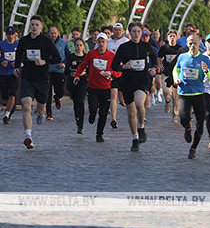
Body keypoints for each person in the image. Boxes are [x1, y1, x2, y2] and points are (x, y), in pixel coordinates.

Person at [13, 15, 62, 149]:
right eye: (32, 24)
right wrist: (17, 67)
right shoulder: (24, 40)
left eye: (36, 25)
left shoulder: (46, 41)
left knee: (41, 107)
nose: (34, 27)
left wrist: (44, 61)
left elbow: (57, 58)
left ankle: (41, 113)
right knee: (26, 105)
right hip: (27, 77)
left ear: (41, 27)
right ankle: (28, 136)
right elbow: (18, 55)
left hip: (42, 78)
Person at [111, 22, 157, 151]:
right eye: (133, 31)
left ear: (141, 32)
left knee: (139, 103)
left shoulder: (146, 46)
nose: (136, 34)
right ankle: (134, 138)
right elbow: (114, 65)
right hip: (127, 82)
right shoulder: (123, 47)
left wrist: (154, 68)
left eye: (138, 31)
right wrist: (123, 67)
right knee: (131, 114)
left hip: (142, 80)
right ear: (129, 33)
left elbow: (154, 60)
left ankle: (141, 127)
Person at [173, 34, 210, 159]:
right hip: (184, 92)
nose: (192, 46)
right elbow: (176, 69)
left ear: (199, 44)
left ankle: (193, 148)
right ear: (187, 44)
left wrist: (207, 71)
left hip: (199, 94)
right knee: (183, 118)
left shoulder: (204, 59)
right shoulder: (182, 57)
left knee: (200, 124)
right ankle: (187, 127)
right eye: (190, 43)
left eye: (195, 43)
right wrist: (176, 79)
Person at [73, 33, 118, 142]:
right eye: (99, 41)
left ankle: (99, 134)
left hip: (106, 88)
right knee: (93, 108)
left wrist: (111, 73)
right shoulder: (91, 54)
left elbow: (119, 72)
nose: (101, 44)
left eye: (103, 42)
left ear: (107, 42)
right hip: (93, 87)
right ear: (96, 42)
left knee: (103, 113)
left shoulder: (112, 56)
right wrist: (77, 76)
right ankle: (92, 115)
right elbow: (82, 65)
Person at [158, 30, 185, 122]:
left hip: (176, 74)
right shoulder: (164, 48)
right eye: (170, 36)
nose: (172, 38)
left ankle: (175, 115)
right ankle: (167, 101)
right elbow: (159, 58)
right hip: (166, 73)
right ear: (167, 38)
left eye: (174, 36)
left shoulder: (180, 49)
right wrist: (160, 65)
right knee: (166, 91)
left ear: (177, 38)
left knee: (175, 97)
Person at [46, 25, 69, 121]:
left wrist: (64, 64)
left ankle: (57, 97)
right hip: (47, 70)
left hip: (59, 70)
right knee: (47, 92)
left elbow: (68, 56)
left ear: (58, 33)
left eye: (55, 33)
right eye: (51, 33)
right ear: (49, 33)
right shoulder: (45, 42)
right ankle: (49, 112)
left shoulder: (63, 43)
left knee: (60, 91)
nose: (53, 35)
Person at [65, 37, 88, 134]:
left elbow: (89, 70)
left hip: (82, 80)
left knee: (80, 100)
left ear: (83, 46)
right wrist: (71, 66)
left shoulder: (86, 57)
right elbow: (66, 71)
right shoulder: (71, 57)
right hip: (72, 80)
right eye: (77, 45)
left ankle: (81, 126)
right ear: (74, 46)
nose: (78, 47)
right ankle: (77, 117)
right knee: (75, 101)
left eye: (80, 45)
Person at [0, 26, 20, 124]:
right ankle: (11, 107)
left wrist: (17, 63)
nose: (10, 37)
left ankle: (7, 115)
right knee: (4, 95)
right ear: (6, 35)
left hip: (13, 73)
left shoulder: (18, 45)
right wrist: (1, 62)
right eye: (9, 35)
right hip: (3, 73)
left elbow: (23, 57)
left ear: (15, 34)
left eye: (12, 34)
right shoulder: (1, 45)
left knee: (12, 93)